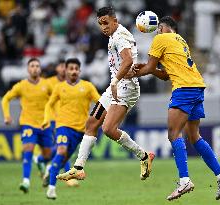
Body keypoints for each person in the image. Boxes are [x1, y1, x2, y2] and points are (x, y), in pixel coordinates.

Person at [128, 16, 220, 201]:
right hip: (196, 86)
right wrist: (147, 68)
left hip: (184, 89)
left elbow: (151, 67)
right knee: (194, 136)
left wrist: (130, 73)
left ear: (163, 28)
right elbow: (165, 75)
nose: (157, 31)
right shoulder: (180, 41)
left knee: (173, 134)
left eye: (159, 28)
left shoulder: (161, 39)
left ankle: (184, 180)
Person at [56, 6, 155, 183]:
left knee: (108, 129)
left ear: (115, 21)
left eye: (106, 23)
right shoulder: (113, 35)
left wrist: (115, 81)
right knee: (91, 122)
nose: (103, 27)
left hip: (126, 88)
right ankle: (78, 168)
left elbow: (128, 60)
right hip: (115, 85)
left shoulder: (120, 36)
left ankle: (144, 156)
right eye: (100, 24)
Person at [41, 58, 100, 199]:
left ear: (79, 71)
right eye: (71, 68)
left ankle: (50, 170)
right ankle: (51, 189)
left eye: (76, 69)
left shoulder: (87, 86)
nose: (73, 71)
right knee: (61, 151)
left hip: (80, 131)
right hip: (63, 126)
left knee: (63, 159)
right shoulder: (59, 87)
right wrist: (46, 120)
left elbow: (100, 103)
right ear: (66, 71)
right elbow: (49, 104)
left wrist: (96, 121)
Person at [1, 58, 53, 193]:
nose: (35, 68)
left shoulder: (47, 85)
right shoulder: (21, 86)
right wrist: (7, 116)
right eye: (32, 66)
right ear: (28, 69)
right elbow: (5, 99)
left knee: (47, 155)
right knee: (28, 148)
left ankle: (40, 161)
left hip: (45, 125)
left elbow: (57, 98)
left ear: (40, 69)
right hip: (28, 123)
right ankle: (26, 181)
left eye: (37, 66)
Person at [33, 59, 73, 186]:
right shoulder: (49, 83)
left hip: (67, 120)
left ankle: (40, 160)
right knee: (63, 147)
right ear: (56, 69)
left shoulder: (71, 84)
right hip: (53, 121)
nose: (63, 69)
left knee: (60, 149)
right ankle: (68, 176)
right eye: (61, 66)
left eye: (65, 67)